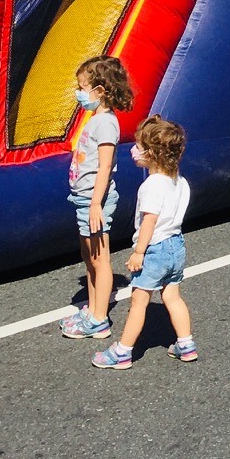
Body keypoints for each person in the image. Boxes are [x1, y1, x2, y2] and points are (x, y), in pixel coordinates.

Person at [93, 115, 197, 369]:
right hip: (176, 245)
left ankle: (123, 351)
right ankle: (186, 343)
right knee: (172, 296)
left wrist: (139, 252)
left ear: (151, 153)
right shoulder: (179, 182)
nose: (133, 150)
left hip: (154, 250)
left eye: (138, 146)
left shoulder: (152, 185)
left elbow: (149, 221)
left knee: (139, 302)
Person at [63, 55, 134, 340]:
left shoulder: (106, 124)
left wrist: (95, 203)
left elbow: (105, 166)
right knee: (89, 257)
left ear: (100, 91)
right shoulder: (96, 120)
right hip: (84, 199)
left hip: (96, 202)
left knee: (100, 259)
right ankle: (92, 308)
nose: (79, 93)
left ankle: (99, 319)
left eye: (82, 87)